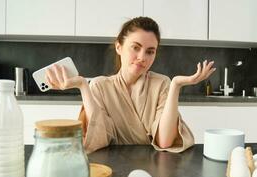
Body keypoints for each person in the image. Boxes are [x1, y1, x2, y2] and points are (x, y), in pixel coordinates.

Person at [45, 17, 216, 154]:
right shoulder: (99, 86)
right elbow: (98, 139)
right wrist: (83, 86)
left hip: (157, 167)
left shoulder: (162, 83)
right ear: (119, 47)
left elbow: (164, 142)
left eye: (150, 51)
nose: (142, 57)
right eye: (136, 47)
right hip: (113, 164)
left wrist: (176, 86)